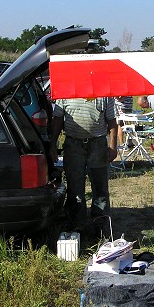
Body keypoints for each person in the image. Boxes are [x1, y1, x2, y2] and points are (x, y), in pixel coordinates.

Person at [49, 97, 118, 232]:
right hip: (73, 145)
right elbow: (57, 120)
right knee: (74, 188)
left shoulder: (105, 94)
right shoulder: (66, 92)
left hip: (98, 144)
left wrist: (113, 146)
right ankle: (76, 224)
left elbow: (112, 123)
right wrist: (52, 145)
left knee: (100, 188)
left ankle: (100, 225)